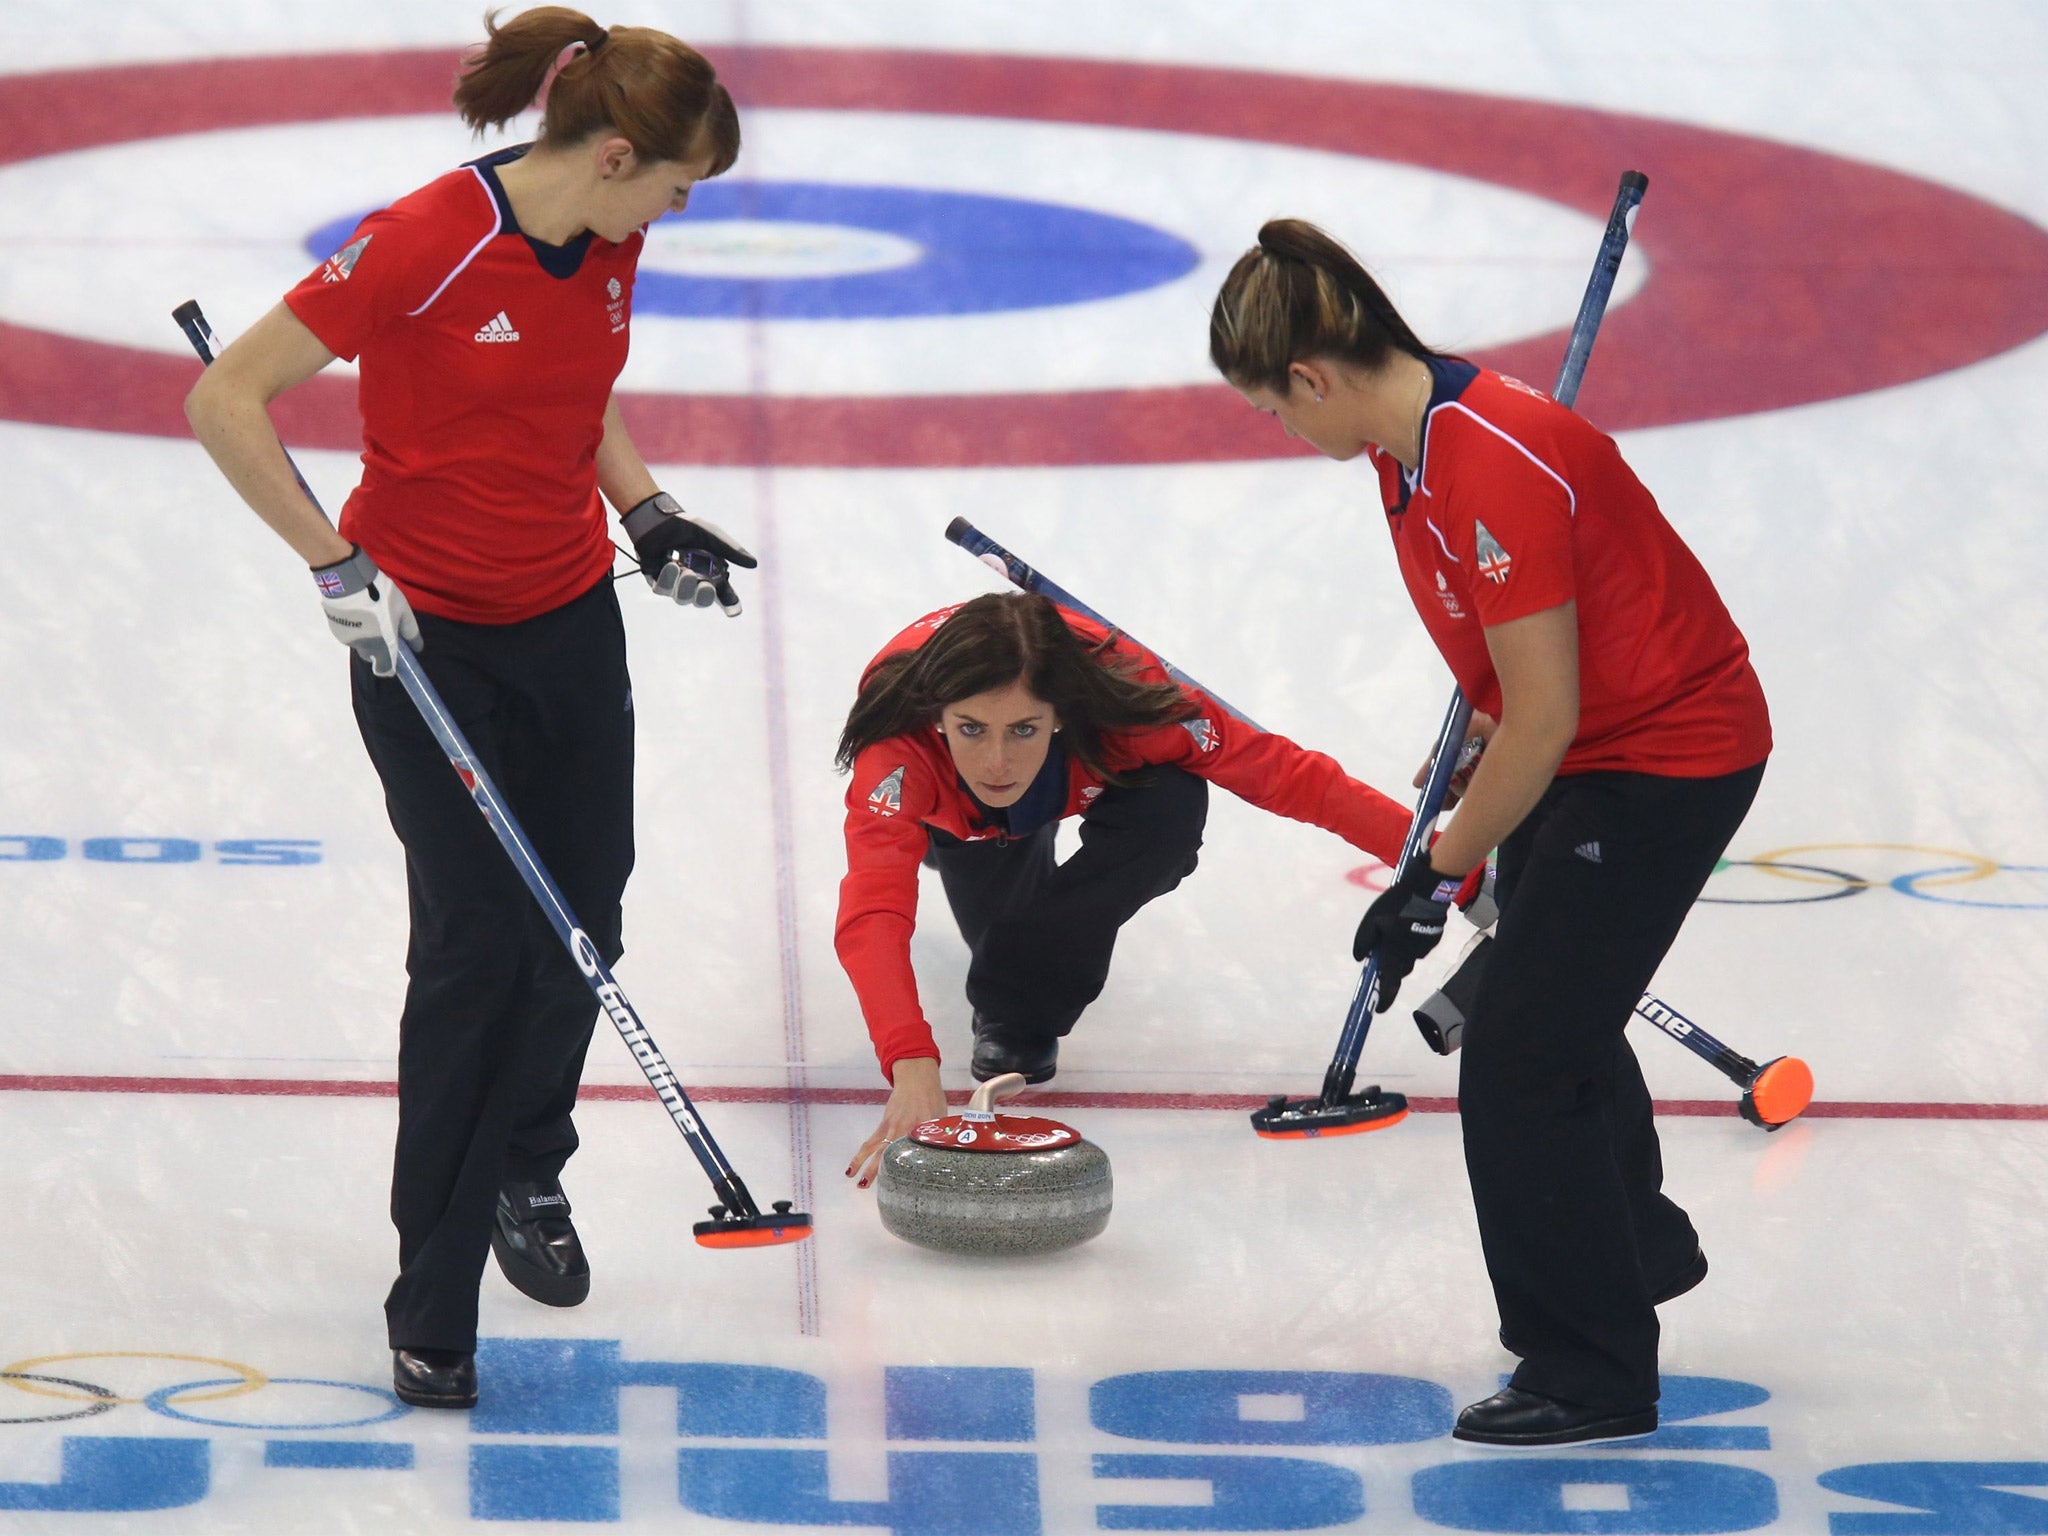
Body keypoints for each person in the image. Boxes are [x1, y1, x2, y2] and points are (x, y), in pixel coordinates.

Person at [182, 7, 753, 1410]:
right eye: (677, 188)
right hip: (424, 642)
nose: (675, 216)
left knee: (586, 916)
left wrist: (650, 511)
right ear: (619, 155)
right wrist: (336, 566)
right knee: (476, 953)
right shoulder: (429, 239)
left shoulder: (609, 241)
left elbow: (577, 393)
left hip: (568, 621)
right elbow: (225, 396)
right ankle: (430, 1298)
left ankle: (522, 1165)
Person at [1209, 220, 1772, 1447]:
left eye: (1267, 412)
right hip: (1585, 745)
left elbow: (1551, 715)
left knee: (1517, 1052)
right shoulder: (1404, 446)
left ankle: (1590, 1371)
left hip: (1660, 759)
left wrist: (1431, 871)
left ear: (1310, 375)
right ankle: (1638, 1250)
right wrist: (1478, 746)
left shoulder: (1489, 461)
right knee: (1550, 1005)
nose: (1281, 435)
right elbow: (1524, 671)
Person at [835, 591, 1429, 1188]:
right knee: (988, 880)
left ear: (1061, 712)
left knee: (1170, 804)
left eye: (1023, 729)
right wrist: (910, 1063)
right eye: (971, 728)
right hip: (952, 809)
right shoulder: (897, 747)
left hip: (1090, 769)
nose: (996, 760)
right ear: (939, 715)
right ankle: (970, 841)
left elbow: (1295, 780)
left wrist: (1447, 866)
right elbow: (873, 911)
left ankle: (1018, 1010)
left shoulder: (1137, 707)